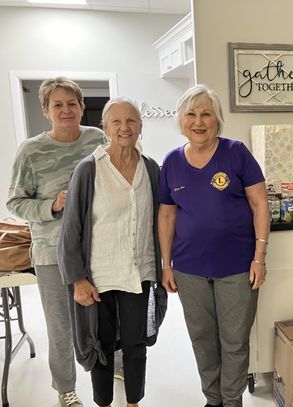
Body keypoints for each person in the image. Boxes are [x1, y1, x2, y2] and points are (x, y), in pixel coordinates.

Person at [158, 84, 270, 407]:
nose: (199, 121)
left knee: (234, 340)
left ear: (217, 119)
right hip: (189, 269)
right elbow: (166, 215)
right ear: (181, 120)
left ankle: (232, 400)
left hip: (237, 267)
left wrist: (259, 257)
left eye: (206, 113)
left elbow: (260, 204)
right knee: (202, 340)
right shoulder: (171, 162)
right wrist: (167, 264)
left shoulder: (236, 153)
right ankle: (213, 399)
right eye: (191, 114)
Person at [57, 98, 167, 407]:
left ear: (141, 127)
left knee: (136, 344)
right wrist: (77, 279)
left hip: (139, 271)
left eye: (131, 121)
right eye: (116, 122)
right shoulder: (89, 169)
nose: (124, 127)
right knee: (101, 344)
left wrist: (166, 266)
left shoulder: (151, 168)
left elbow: (162, 218)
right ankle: (103, 403)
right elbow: (71, 229)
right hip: (99, 274)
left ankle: (133, 402)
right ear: (105, 128)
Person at [6, 77, 108, 407]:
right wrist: (52, 205)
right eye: (58, 105)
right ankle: (65, 388)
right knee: (61, 325)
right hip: (52, 253)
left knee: (106, 316)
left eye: (72, 104)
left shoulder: (98, 139)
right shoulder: (31, 151)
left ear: (81, 108)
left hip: (98, 249)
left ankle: (112, 365)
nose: (66, 110)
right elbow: (15, 202)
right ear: (45, 111)